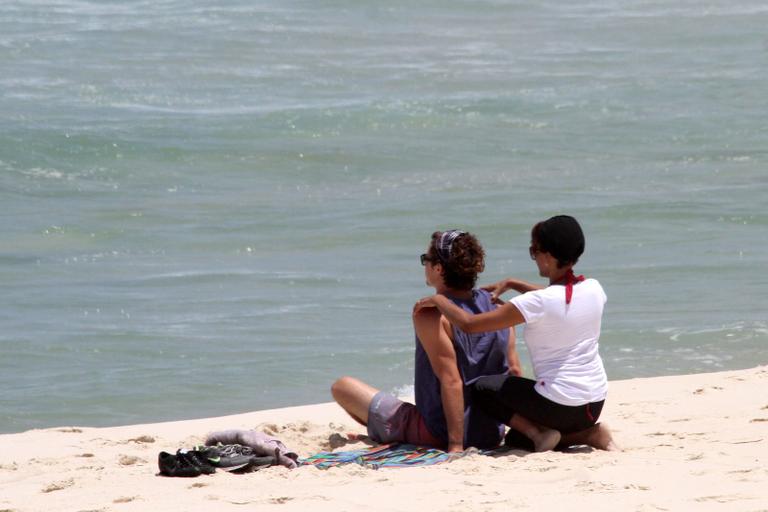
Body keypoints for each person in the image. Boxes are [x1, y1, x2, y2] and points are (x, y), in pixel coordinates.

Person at [414, 216, 618, 452]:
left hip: (561, 405)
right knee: (516, 442)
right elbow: (558, 295)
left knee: (483, 388)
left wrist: (439, 301)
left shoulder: (537, 302)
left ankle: (557, 433)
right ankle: (588, 432)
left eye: (534, 251)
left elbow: (469, 324)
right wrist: (513, 283)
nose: (534, 257)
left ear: (548, 257)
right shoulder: (593, 288)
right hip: (594, 404)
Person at [331, 230, 522, 452]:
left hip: (439, 432)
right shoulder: (498, 308)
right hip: (490, 432)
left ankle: (385, 430)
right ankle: (380, 429)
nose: (425, 265)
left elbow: (451, 381)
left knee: (342, 387)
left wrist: (455, 446)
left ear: (439, 268)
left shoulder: (431, 314)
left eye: (426, 260)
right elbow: (514, 371)